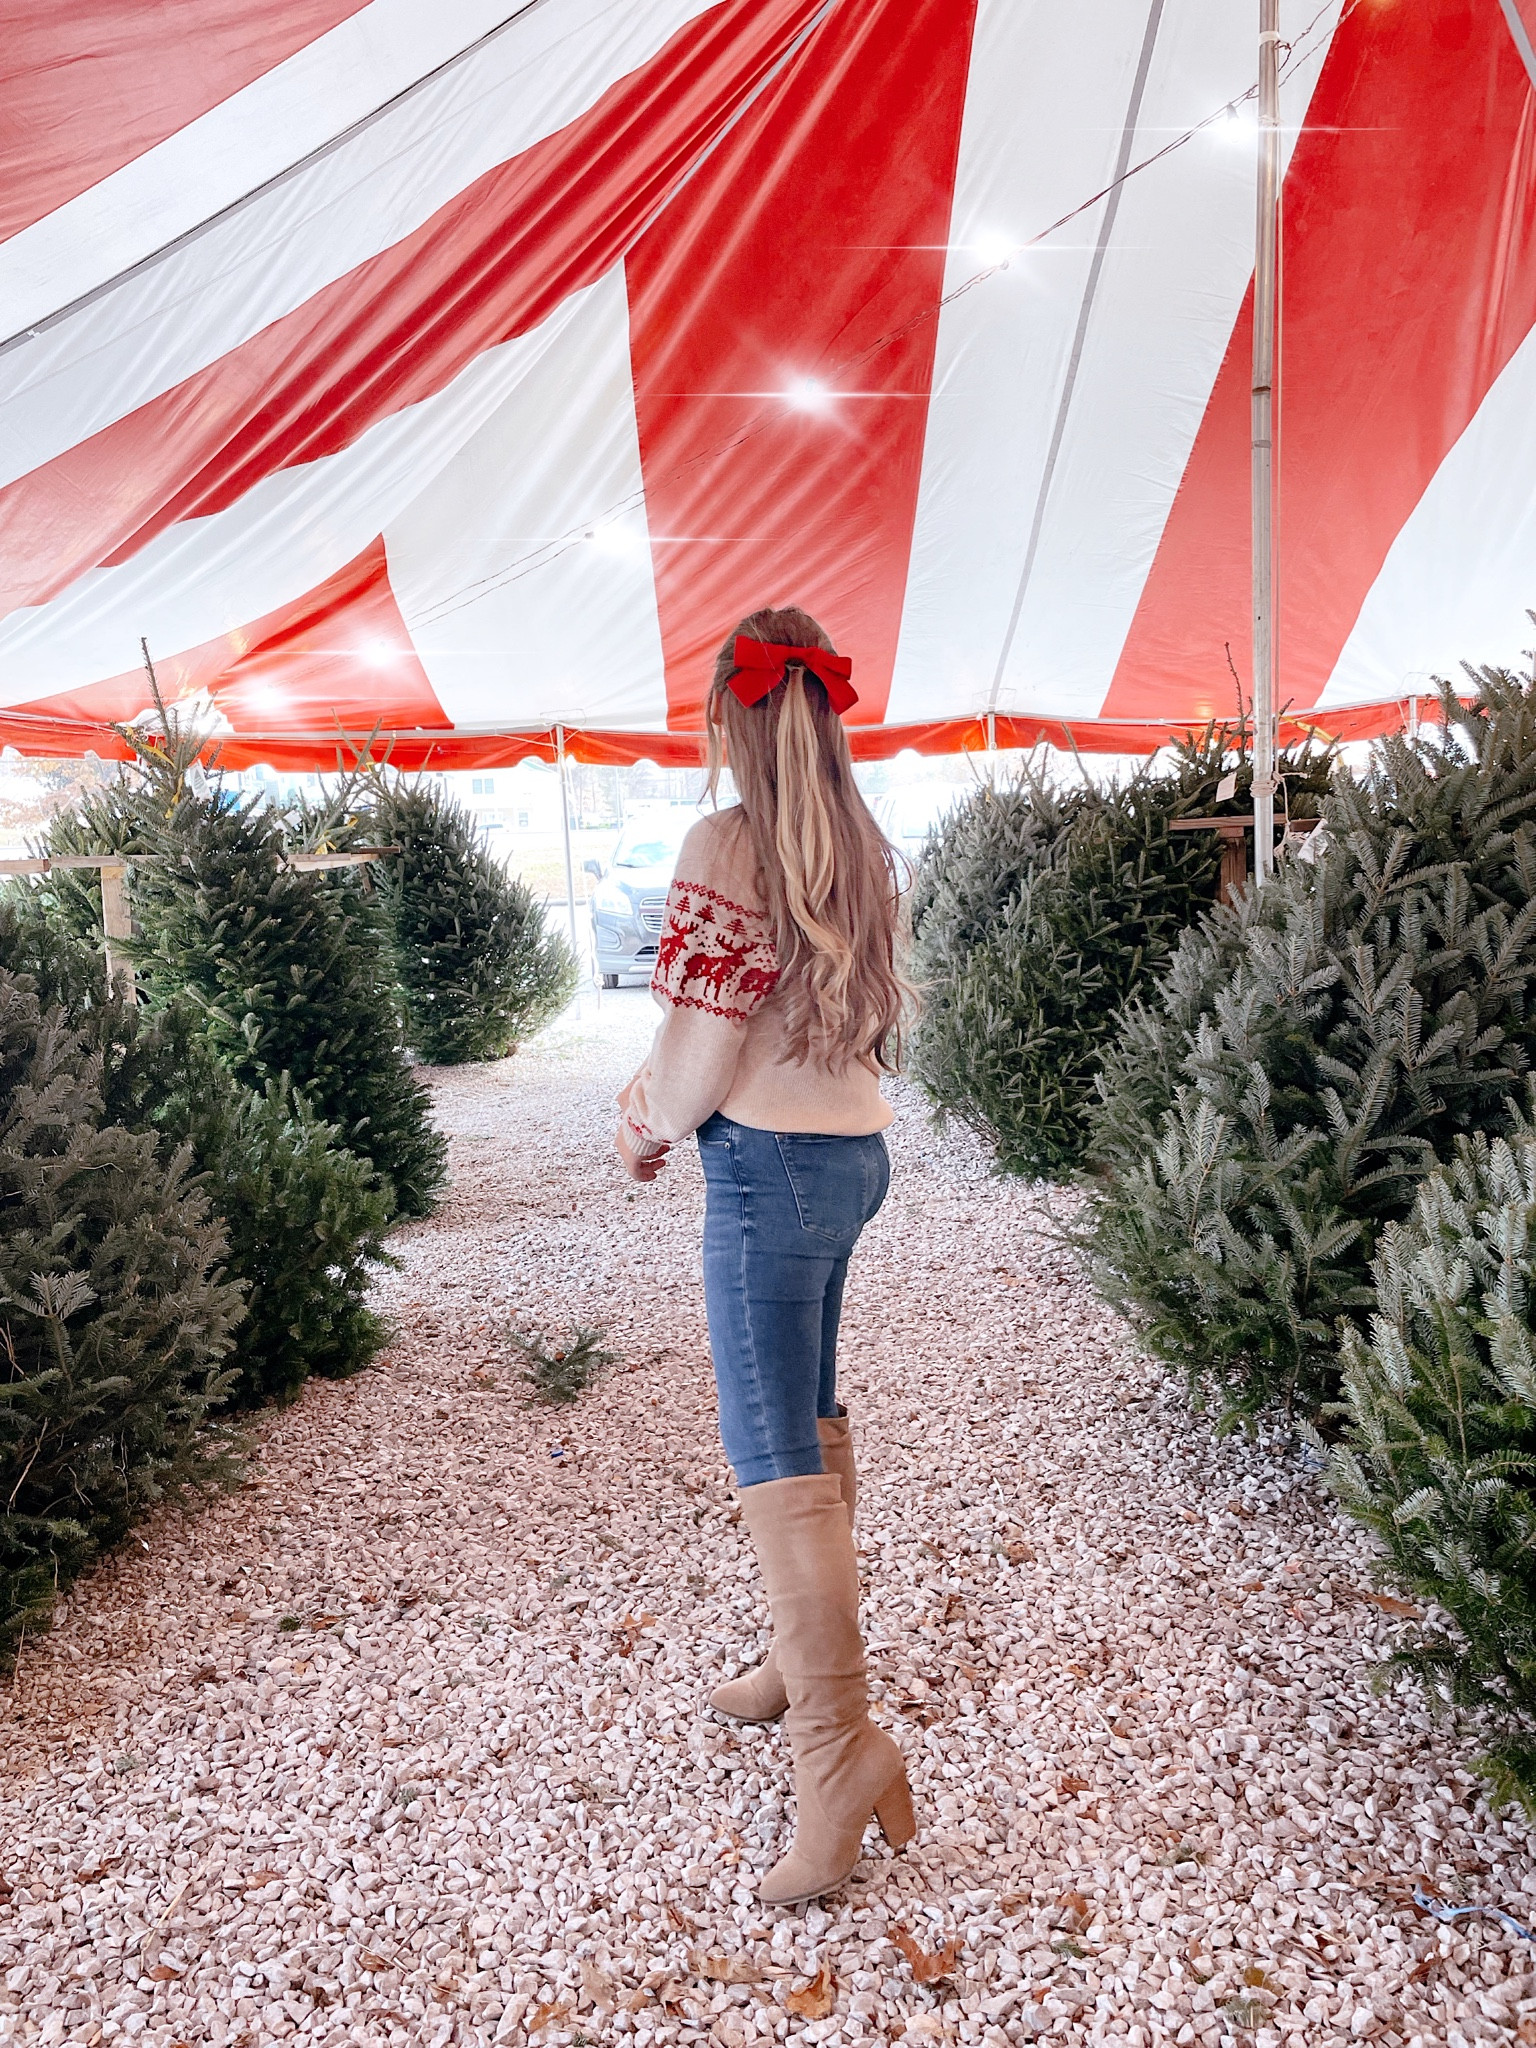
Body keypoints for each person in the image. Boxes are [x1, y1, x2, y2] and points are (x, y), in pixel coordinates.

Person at [615, 605, 915, 1907]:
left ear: (736, 717)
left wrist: (641, 1119)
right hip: (850, 1159)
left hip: (768, 1168)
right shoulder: (863, 842)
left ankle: (838, 1751)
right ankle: (804, 1672)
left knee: (770, 1452)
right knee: (811, 1415)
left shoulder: (722, 844)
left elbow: (698, 1045)